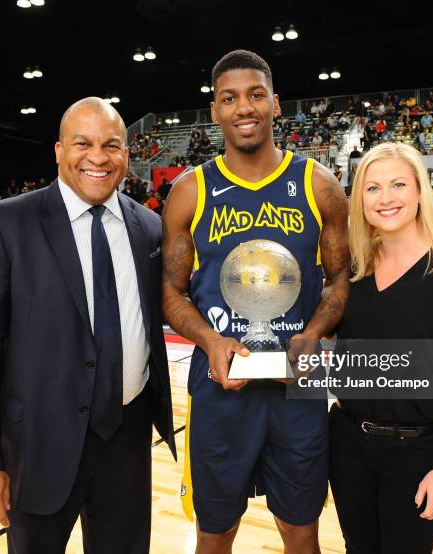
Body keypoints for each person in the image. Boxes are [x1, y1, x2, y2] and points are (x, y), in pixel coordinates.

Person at [0, 97, 176, 554]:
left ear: (127, 155)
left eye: (111, 145)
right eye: (82, 143)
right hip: (37, 443)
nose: (97, 157)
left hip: (127, 440)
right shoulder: (4, 223)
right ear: (57, 151)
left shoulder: (149, 228)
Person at [162, 50, 349, 554]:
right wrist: (207, 338)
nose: (244, 107)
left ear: (276, 105)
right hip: (221, 392)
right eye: (230, 98)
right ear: (215, 112)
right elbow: (172, 294)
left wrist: (312, 335)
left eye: (256, 95)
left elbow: (337, 280)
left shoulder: (318, 184)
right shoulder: (188, 191)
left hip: (298, 391)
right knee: (214, 533)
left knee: (301, 530)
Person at [329, 142, 433, 554]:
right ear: (359, 199)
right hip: (348, 444)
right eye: (372, 188)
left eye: (398, 184)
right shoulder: (352, 270)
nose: (385, 198)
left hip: (418, 452)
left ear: (420, 191)